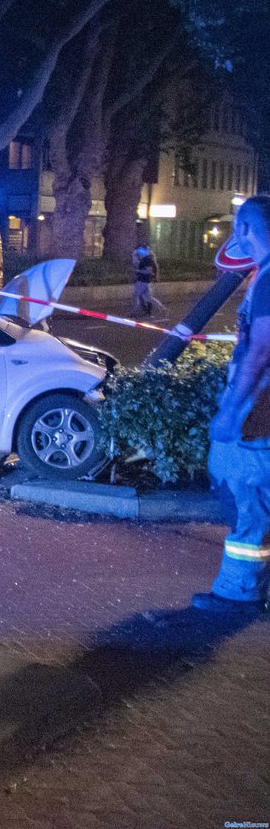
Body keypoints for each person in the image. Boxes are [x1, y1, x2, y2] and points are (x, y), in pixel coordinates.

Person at [196, 196, 270, 614]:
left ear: (244, 228)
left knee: (248, 501)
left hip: (259, 415)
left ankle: (238, 592)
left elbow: (261, 350)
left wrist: (231, 411)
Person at [133, 245, 164, 317]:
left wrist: (138, 271)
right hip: (146, 281)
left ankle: (135, 312)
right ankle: (161, 309)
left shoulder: (146, 259)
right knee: (149, 298)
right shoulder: (147, 259)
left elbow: (147, 271)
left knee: (137, 295)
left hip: (142, 281)